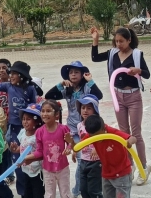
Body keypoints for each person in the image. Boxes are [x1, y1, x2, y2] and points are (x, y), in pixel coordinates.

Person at [90, 27, 151, 185]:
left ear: (129, 40)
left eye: (121, 41)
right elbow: (95, 57)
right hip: (117, 96)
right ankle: (129, 166)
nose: (118, 44)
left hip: (133, 96)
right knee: (124, 133)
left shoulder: (137, 54)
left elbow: (147, 73)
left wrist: (138, 70)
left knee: (136, 133)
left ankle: (143, 167)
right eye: (116, 41)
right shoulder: (112, 53)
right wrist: (95, 40)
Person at [44, 61, 102, 198]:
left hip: (87, 128)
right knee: (82, 159)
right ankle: (80, 188)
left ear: (82, 74)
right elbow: (48, 96)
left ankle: (79, 189)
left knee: (85, 159)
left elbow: (98, 95)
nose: (73, 74)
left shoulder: (86, 88)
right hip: (73, 130)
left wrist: (91, 81)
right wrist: (61, 84)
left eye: (76, 72)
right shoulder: (67, 90)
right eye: (71, 72)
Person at [0, 56, 40, 195]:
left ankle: (34, 190)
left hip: (28, 129)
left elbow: (33, 107)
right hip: (14, 128)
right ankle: (23, 192)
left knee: (31, 160)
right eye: (11, 73)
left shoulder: (30, 89)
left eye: (14, 74)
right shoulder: (8, 86)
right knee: (17, 161)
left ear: (22, 76)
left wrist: (32, 125)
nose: (11, 76)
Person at [22, 100, 73, 198]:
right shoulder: (39, 132)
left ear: (57, 114)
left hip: (63, 168)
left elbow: (70, 143)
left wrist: (69, 148)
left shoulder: (63, 129)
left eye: (48, 111)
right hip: (47, 170)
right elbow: (40, 152)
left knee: (65, 193)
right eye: (43, 111)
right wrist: (27, 157)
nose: (45, 114)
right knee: (49, 195)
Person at [80, 115, 137, 198]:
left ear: (103, 129)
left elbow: (133, 138)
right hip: (106, 175)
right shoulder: (91, 135)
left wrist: (129, 142)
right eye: (93, 137)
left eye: (98, 136)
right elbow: (79, 146)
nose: (96, 139)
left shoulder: (113, 133)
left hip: (122, 174)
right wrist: (72, 145)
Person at [65, 95, 103, 198]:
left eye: (89, 108)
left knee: (94, 191)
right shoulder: (79, 125)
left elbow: (104, 139)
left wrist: (96, 148)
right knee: (83, 190)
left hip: (96, 162)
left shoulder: (99, 124)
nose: (85, 111)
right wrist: (75, 150)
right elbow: (82, 141)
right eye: (83, 108)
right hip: (84, 161)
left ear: (95, 110)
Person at [9, 103, 45, 198]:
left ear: (37, 121)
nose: (25, 122)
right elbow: (22, 149)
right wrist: (15, 149)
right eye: (24, 119)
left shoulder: (38, 136)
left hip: (37, 171)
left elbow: (42, 153)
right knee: (27, 193)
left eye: (28, 119)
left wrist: (31, 158)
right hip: (25, 170)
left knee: (37, 194)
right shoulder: (22, 133)